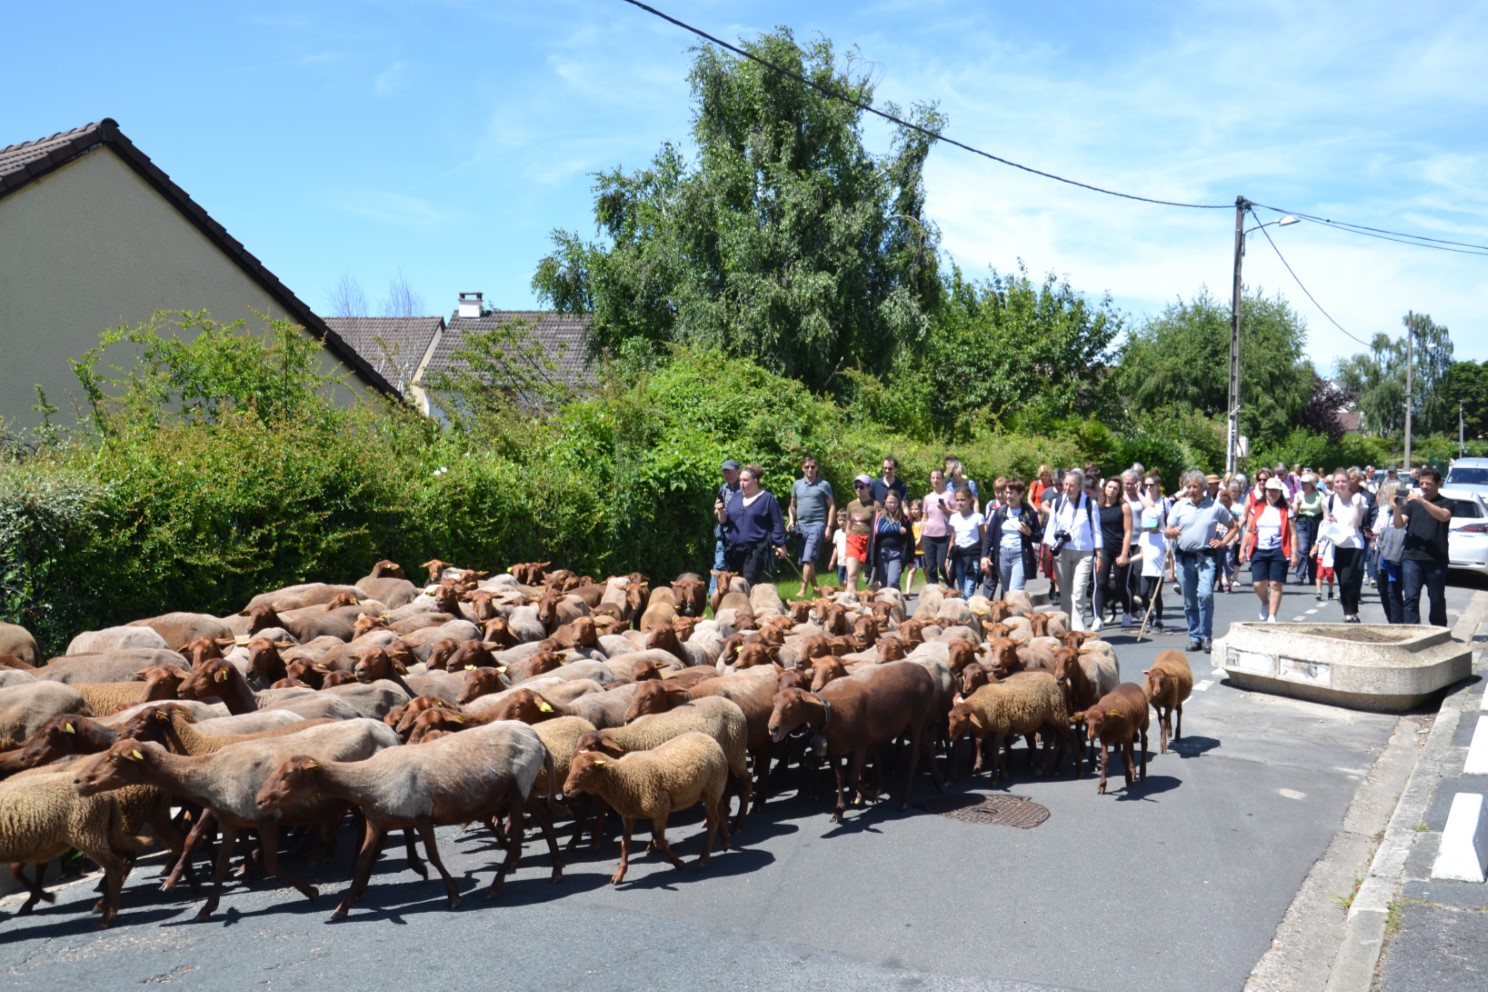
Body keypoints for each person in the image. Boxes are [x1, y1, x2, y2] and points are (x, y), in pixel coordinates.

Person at [1166, 470, 1238, 652]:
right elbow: (1167, 530)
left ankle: (1206, 635)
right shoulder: (1179, 507)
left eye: (1195, 487)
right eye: (1189, 487)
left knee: (1205, 595)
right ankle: (1194, 636)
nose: (1191, 490)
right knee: (1190, 601)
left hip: (1206, 558)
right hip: (1184, 557)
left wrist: (1222, 542)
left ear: (1204, 488)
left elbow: (1234, 526)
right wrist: (1171, 532)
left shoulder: (1215, 507)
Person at [1042, 468, 1104, 631]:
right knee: (1066, 594)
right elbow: (1051, 527)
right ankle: (1066, 629)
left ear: (1080, 487)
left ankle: (1078, 631)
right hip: (1062, 553)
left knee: (1078, 592)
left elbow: (1096, 530)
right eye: (1066, 485)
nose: (1068, 488)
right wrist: (1047, 551)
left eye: (1072, 485)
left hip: (1083, 553)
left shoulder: (1090, 504)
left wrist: (1099, 554)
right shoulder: (1057, 502)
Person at [1395, 466, 1452, 626]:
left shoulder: (1446, 502)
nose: (1424, 487)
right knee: (1411, 597)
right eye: (1421, 483)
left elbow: (1443, 516)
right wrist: (1396, 509)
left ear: (1437, 483)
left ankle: (1438, 631)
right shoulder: (1412, 504)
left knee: (1436, 598)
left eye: (1428, 483)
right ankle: (1412, 632)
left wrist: (1422, 500)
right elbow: (1399, 524)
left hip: (1436, 559)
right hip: (1411, 557)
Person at [715, 464, 787, 585]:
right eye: (741, 480)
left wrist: (780, 544)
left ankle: (750, 603)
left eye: (745, 480)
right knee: (734, 584)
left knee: (748, 582)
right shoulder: (736, 498)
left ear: (755, 481)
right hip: (733, 549)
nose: (742, 483)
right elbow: (724, 521)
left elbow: (777, 523)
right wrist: (720, 511)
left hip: (755, 549)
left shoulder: (767, 499)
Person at [1239, 477, 1297, 624]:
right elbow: (1249, 530)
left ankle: (1272, 616)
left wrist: (1294, 553)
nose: (1273, 493)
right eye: (1270, 490)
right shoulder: (1256, 508)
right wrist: (1242, 550)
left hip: (1279, 550)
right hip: (1259, 549)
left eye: (1276, 491)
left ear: (1280, 492)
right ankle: (1265, 601)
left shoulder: (1285, 510)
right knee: (1258, 584)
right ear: (1265, 491)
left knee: (1276, 584)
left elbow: (1293, 533)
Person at [980, 478, 1039, 596]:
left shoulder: (1029, 512)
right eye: (1007, 493)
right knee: (1007, 593)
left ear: (1021, 494)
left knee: (1014, 592)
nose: (1008, 496)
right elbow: (989, 537)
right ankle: (1012, 615)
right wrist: (984, 556)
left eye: (1012, 493)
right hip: (1002, 556)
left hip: (1020, 556)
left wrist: (1030, 533)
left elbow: (1038, 536)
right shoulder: (1000, 512)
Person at [787, 456, 835, 598]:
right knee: (806, 558)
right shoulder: (797, 485)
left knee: (808, 557)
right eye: (807, 467)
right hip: (801, 526)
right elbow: (792, 505)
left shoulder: (824, 485)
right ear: (802, 468)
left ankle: (803, 589)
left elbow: (831, 506)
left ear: (817, 468)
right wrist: (791, 521)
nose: (810, 469)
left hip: (817, 524)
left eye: (812, 467)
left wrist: (829, 527)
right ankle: (815, 587)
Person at [1323, 470, 1367, 623]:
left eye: (1343, 481)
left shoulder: (1359, 499)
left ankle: (1353, 612)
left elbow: (1355, 524)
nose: (1340, 484)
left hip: (1353, 544)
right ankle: (1348, 614)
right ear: (1333, 484)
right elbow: (1325, 523)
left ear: (1349, 483)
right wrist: (1329, 520)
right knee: (1341, 580)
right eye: (1337, 482)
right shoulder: (1328, 501)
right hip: (1336, 543)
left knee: (1348, 578)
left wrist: (1355, 505)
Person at [1095, 477, 1134, 626]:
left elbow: (1128, 531)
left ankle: (1127, 612)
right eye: (1109, 487)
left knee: (1121, 584)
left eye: (1115, 488)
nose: (1111, 490)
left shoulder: (1123, 507)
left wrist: (1124, 554)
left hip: (1119, 549)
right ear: (1105, 488)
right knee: (1101, 583)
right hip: (1103, 550)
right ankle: (1098, 618)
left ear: (1119, 491)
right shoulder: (1097, 507)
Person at [1373, 481, 1407, 624]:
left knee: (1394, 592)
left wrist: (1396, 509)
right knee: (1383, 591)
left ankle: (1397, 625)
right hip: (1381, 554)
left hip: (1396, 556)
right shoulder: (1382, 510)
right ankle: (1391, 622)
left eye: (1386, 492)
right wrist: (1372, 533)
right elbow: (1377, 528)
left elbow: (1401, 529)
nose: (1384, 495)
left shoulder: (1405, 510)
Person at [709, 458, 742, 595]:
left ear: (738, 472)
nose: (727, 475)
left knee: (737, 566)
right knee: (720, 564)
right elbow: (716, 508)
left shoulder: (745, 487)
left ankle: (737, 593)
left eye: (730, 472)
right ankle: (712, 594)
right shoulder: (723, 488)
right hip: (723, 532)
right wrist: (718, 511)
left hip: (739, 533)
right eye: (725, 472)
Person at [947, 488, 985, 597]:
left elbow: (983, 538)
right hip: (958, 556)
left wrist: (985, 556)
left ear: (970, 500)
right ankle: (965, 610)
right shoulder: (954, 518)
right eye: (957, 500)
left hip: (973, 556)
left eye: (963, 500)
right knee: (962, 589)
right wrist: (948, 559)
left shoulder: (978, 517)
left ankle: (965, 604)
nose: (960, 503)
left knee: (968, 591)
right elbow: (952, 540)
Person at [871, 492, 913, 591]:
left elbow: (909, 537)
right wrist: (897, 530)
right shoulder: (879, 516)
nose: (892, 505)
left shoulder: (903, 518)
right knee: (884, 583)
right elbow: (876, 531)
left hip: (897, 552)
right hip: (882, 552)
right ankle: (887, 604)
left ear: (899, 503)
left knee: (893, 581)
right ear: (885, 501)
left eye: (895, 502)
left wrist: (910, 558)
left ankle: (896, 601)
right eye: (890, 502)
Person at [842, 474, 877, 592]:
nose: (858, 489)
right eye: (856, 486)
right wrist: (848, 538)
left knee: (873, 579)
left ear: (869, 488)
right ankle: (851, 604)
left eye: (861, 487)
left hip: (869, 542)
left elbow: (879, 525)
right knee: (851, 575)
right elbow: (848, 524)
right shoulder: (851, 505)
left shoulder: (875, 505)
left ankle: (869, 601)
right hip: (854, 541)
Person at [920, 468, 954, 587]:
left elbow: (958, 513)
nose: (935, 480)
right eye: (933, 478)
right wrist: (920, 536)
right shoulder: (928, 498)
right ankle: (935, 591)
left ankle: (951, 587)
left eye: (938, 478)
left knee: (942, 566)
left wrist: (946, 510)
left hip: (944, 536)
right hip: (928, 536)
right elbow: (924, 517)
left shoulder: (949, 495)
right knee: (931, 567)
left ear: (943, 480)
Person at [1292, 473, 1324, 585]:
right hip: (1302, 523)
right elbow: (1294, 514)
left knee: (1313, 550)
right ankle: (1300, 576)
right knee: (1303, 548)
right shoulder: (1298, 495)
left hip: (1316, 523)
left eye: (1306, 483)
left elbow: (1324, 511)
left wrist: (1324, 526)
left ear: (1311, 484)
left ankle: (1313, 576)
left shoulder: (1320, 495)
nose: (1303, 485)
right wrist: (1298, 505)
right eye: (1302, 483)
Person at [826, 508, 849, 587]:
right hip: (840, 562)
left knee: (847, 582)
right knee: (841, 582)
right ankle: (844, 593)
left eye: (844, 520)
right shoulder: (837, 533)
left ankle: (848, 594)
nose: (841, 522)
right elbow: (836, 548)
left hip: (849, 562)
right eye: (839, 520)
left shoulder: (851, 533)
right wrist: (832, 561)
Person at [906, 499, 924, 592]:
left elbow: (923, 533)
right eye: (912, 509)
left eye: (916, 509)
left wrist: (919, 540)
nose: (913, 511)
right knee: (912, 570)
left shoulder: (924, 521)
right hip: (913, 551)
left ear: (921, 509)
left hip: (923, 550)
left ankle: (931, 589)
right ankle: (908, 591)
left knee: (926, 571)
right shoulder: (910, 522)